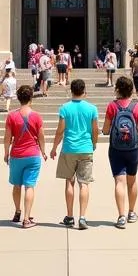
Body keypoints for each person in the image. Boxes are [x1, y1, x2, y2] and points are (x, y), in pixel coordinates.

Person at [102, 75, 138, 228]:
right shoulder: (136, 107)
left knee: (119, 181)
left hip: (116, 149)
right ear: (131, 90)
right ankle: (131, 212)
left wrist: (107, 130)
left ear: (117, 89)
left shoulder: (112, 106)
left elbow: (105, 129)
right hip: (133, 149)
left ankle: (121, 216)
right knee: (132, 181)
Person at [49, 78, 99, 230]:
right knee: (84, 183)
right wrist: (94, 143)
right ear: (84, 91)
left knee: (69, 182)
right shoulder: (92, 109)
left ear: (71, 91)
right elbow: (95, 129)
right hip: (86, 148)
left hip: (69, 148)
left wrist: (54, 147)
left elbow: (60, 130)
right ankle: (82, 217)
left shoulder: (65, 108)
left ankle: (70, 216)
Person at [3, 85, 47, 228]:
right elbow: (41, 137)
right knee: (29, 186)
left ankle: (17, 211)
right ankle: (27, 218)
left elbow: (7, 138)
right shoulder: (36, 116)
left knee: (17, 185)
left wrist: (6, 153)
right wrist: (44, 151)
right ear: (31, 98)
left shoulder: (11, 116)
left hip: (16, 154)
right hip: (33, 155)